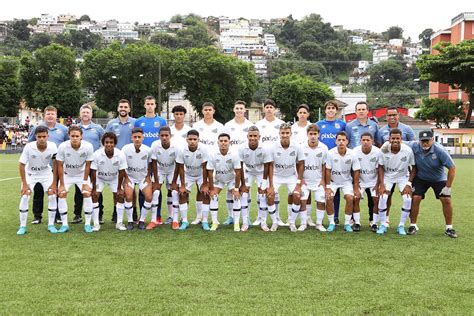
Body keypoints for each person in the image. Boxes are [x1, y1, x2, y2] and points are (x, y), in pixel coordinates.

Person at [403, 130, 457, 238]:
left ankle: (449, 228)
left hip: (438, 178)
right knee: (416, 198)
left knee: (446, 199)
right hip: (420, 177)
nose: (425, 143)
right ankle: (413, 225)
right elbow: (399, 141)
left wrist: (448, 187)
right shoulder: (414, 146)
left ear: (433, 140)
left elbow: (452, 168)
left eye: (427, 140)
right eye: (422, 141)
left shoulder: (440, 150)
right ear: (419, 141)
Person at [28, 106, 68, 225]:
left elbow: (67, 145)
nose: (50, 116)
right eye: (48, 114)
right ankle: (37, 216)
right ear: (44, 115)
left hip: (57, 167)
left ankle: (57, 216)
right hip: (40, 168)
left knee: (55, 192)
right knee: (38, 192)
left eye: (52, 114)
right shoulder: (37, 128)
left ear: (56, 116)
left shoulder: (64, 129)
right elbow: (30, 144)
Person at [17, 126, 58, 235]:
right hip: (30, 174)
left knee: (52, 195)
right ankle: (22, 226)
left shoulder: (53, 146)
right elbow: (21, 165)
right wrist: (25, 185)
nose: (41, 139)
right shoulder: (29, 147)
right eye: (39, 137)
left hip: (46, 174)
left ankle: (51, 225)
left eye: (44, 136)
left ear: (48, 136)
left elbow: (55, 163)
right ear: (35, 137)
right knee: (25, 196)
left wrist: (54, 183)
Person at [264, 123, 305, 232]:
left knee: (297, 196)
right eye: (283, 133)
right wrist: (271, 185)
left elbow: (301, 164)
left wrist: (299, 183)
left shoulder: (297, 146)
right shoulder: (273, 147)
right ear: (279, 134)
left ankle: (291, 222)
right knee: (270, 195)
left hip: (291, 176)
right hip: (277, 176)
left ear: (291, 134)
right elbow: (270, 166)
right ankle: (274, 222)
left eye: (287, 133)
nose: (285, 135)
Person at [376, 129, 416, 236]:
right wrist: (382, 183)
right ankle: (383, 225)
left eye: (397, 138)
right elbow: (380, 167)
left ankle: (401, 226)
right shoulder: (383, 150)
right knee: (383, 197)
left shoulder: (408, 150)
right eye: (393, 138)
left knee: (407, 199)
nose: (395, 140)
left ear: (401, 139)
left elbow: (414, 167)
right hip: (388, 177)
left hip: (403, 177)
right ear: (389, 139)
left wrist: (409, 184)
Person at [134, 96, 167, 223]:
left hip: (157, 160)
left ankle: (157, 216)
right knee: (143, 189)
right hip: (143, 160)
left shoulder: (161, 121)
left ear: (155, 105)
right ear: (144, 105)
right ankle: (141, 217)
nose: (149, 106)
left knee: (157, 188)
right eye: (147, 104)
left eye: (152, 104)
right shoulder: (139, 121)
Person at [190, 102, 224, 224]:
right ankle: (199, 216)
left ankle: (213, 218)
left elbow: (222, 143)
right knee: (200, 190)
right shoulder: (196, 125)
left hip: (215, 162)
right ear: (202, 111)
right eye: (206, 110)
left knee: (212, 189)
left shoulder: (220, 126)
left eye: (210, 109)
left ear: (213, 111)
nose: (208, 111)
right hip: (200, 162)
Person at [56, 126, 94, 233]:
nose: (75, 138)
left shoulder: (88, 146)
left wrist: (85, 182)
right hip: (67, 174)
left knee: (87, 193)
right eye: (72, 136)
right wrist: (62, 184)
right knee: (62, 193)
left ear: (81, 136)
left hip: (81, 174)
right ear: (69, 136)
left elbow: (88, 165)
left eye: (77, 136)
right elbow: (59, 165)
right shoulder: (63, 146)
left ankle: (87, 224)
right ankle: (64, 225)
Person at [106, 99, 137, 223]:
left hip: (131, 160)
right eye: (121, 107)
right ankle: (115, 211)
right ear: (118, 109)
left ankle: (134, 212)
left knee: (131, 187)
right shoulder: (111, 123)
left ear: (129, 109)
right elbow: (106, 141)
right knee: (116, 187)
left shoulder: (135, 122)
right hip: (115, 160)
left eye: (125, 107)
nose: (123, 109)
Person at [73, 104, 105, 224]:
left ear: (91, 114)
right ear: (80, 114)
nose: (85, 114)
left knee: (96, 188)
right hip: (79, 164)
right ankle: (77, 214)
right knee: (79, 190)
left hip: (95, 164)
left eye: (87, 112)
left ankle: (99, 214)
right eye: (83, 112)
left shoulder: (98, 128)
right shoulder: (74, 128)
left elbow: (104, 143)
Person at [316, 100, 346, 227]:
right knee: (323, 189)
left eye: (333, 108)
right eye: (328, 108)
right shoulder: (318, 124)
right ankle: (321, 217)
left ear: (336, 110)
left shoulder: (342, 124)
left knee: (336, 190)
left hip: (338, 160)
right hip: (322, 161)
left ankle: (335, 216)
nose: (331, 110)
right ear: (325, 110)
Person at [173, 129, 210, 231]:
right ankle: (184, 221)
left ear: (198, 140)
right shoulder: (181, 150)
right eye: (190, 139)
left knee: (205, 193)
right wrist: (183, 185)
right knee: (182, 194)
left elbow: (205, 167)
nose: (192, 141)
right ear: (186, 140)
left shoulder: (204, 149)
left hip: (201, 174)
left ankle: (204, 220)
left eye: (195, 139)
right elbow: (180, 167)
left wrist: (205, 184)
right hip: (188, 174)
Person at [255, 99, 285, 226]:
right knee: (261, 189)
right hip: (262, 161)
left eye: (271, 107)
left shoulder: (281, 123)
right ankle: (259, 217)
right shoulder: (258, 124)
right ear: (264, 109)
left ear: (275, 109)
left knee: (274, 190)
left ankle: (277, 217)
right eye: (266, 107)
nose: (268, 109)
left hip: (277, 161)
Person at [90, 132, 127, 233]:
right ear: (103, 143)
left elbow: (122, 171)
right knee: (95, 196)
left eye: (111, 142)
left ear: (115, 144)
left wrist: (119, 188)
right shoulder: (97, 154)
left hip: (114, 178)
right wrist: (93, 188)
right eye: (107, 142)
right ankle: (96, 224)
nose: (109, 144)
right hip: (100, 178)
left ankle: (119, 223)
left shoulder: (120, 154)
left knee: (119, 196)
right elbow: (93, 171)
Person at [325, 131, 361, 233]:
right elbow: (327, 170)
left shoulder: (352, 153)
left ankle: (347, 223)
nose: (341, 142)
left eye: (343, 140)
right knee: (329, 197)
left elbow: (356, 170)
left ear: (347, 142)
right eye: (339, 140)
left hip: (346, 181)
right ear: (336, 141)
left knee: (350, 198)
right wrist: (327, 186)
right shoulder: (330, 153)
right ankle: (332, 222)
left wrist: (355, 188)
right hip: (333, 181)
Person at [223, 100, 253, 225]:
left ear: (245, 110)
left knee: (246, 188)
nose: (239, 110)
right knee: (231, 188)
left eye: (241, 108)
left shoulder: (250, 125)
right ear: (234, 110)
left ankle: (247, 217)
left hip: (245, 161)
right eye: (237, 108)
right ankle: (230, 216)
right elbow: (224, 141)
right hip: (231, 161)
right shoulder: (228, 125)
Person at [206, 133, 242, 231]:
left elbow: (238, 173)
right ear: (218, 142)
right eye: (221, 141)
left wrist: (236, 189)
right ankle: (215, 222)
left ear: (229, 142)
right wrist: (212, 188)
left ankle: (236, 223)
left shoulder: (234, 154)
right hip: (218, 179)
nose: (223, 143)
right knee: (213, 196)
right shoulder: (212, 154)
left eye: (225, 141)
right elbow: (209, 172)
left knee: (236, 196)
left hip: (231, 179)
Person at [238, 126, 271, 231]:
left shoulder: (265, 148)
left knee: (262, 195)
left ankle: (263, 223)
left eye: (255, 136)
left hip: (261, 173)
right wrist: (243, 184)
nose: (253, 138)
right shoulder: (242, 148)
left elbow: (267, 166)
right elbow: (240, 166)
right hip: (248, 172)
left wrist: (265, 182)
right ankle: (245, 222)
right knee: (244, 195)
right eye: (250, 136)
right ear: (247, 136)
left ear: (259, 137)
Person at [121, 128, 153, 231]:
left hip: (142, 177)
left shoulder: (148, 150)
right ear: (132, 138)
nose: (137, 139)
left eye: (139, 137)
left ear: (143, 138)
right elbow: (122, 165)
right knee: (129, 196)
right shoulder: (125, 149)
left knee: (148, 197)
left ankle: (142, 220)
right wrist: (126, 178)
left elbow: (151, 164)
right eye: (135, 137)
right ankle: (130, 221)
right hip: (129, 177)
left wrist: (148, 177)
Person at [150, 127, 180, 230]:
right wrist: (157, 182)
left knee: (174, 192)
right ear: (159, 136)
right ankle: (153, 220)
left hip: (172, 170)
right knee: (155, 192)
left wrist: (174, 182)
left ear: (170, 136)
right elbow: (153, 163)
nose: (164, 137)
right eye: (162, 135)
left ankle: (174, 220)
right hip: (159, 170)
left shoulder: (176, 147)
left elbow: (178, 165)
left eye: (166, 135)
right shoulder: (154, 145)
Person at [299, 124, 328, 232]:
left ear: (318, 135)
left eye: (315, 134)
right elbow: (298, 164)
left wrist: (323, 180)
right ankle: (303, 223)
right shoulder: (301, 147)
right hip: (305, 181)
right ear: (307, 135)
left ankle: (319, 224)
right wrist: (300, 179)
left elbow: (325, 165)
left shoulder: (324, 148)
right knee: (302, 200)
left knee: (321, 201)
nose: (313, 136)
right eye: (311, 134)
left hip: (318, 180)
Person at [353, 132, 381, 232]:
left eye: (368, 140)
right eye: (363, 140)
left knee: (376, 199)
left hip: (373, 180)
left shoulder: (378, 152)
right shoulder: (355, 151)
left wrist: (378, 185)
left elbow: (380, 170)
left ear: (372, 141)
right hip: (360, 180)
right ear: (360, 141)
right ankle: (357, 222)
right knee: (355, 198)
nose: (365, 142)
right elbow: (354, 170)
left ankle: (374, 223)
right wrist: (356, 186)